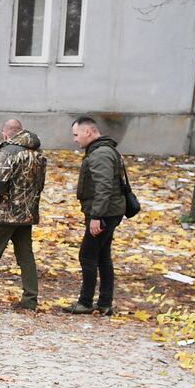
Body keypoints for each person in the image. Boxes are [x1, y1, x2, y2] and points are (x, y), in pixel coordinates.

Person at [0, 120, 46, 310]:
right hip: (26, 214)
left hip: (4, 214)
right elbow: (39, 184)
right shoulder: (37, 154)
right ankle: (30, 299)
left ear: (5, 134)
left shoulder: (7, 153)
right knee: (25, 256)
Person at [65, 116, 126, 316]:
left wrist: (96, 217)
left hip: (104, 214)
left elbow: (104, 187)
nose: (75, 139)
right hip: (110, 212)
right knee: (102, 256)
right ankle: (105, 302)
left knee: (87, 255)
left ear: (88, 132)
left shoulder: (100, 154)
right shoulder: (104, 150)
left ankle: (85, 302)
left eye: (76, 135)